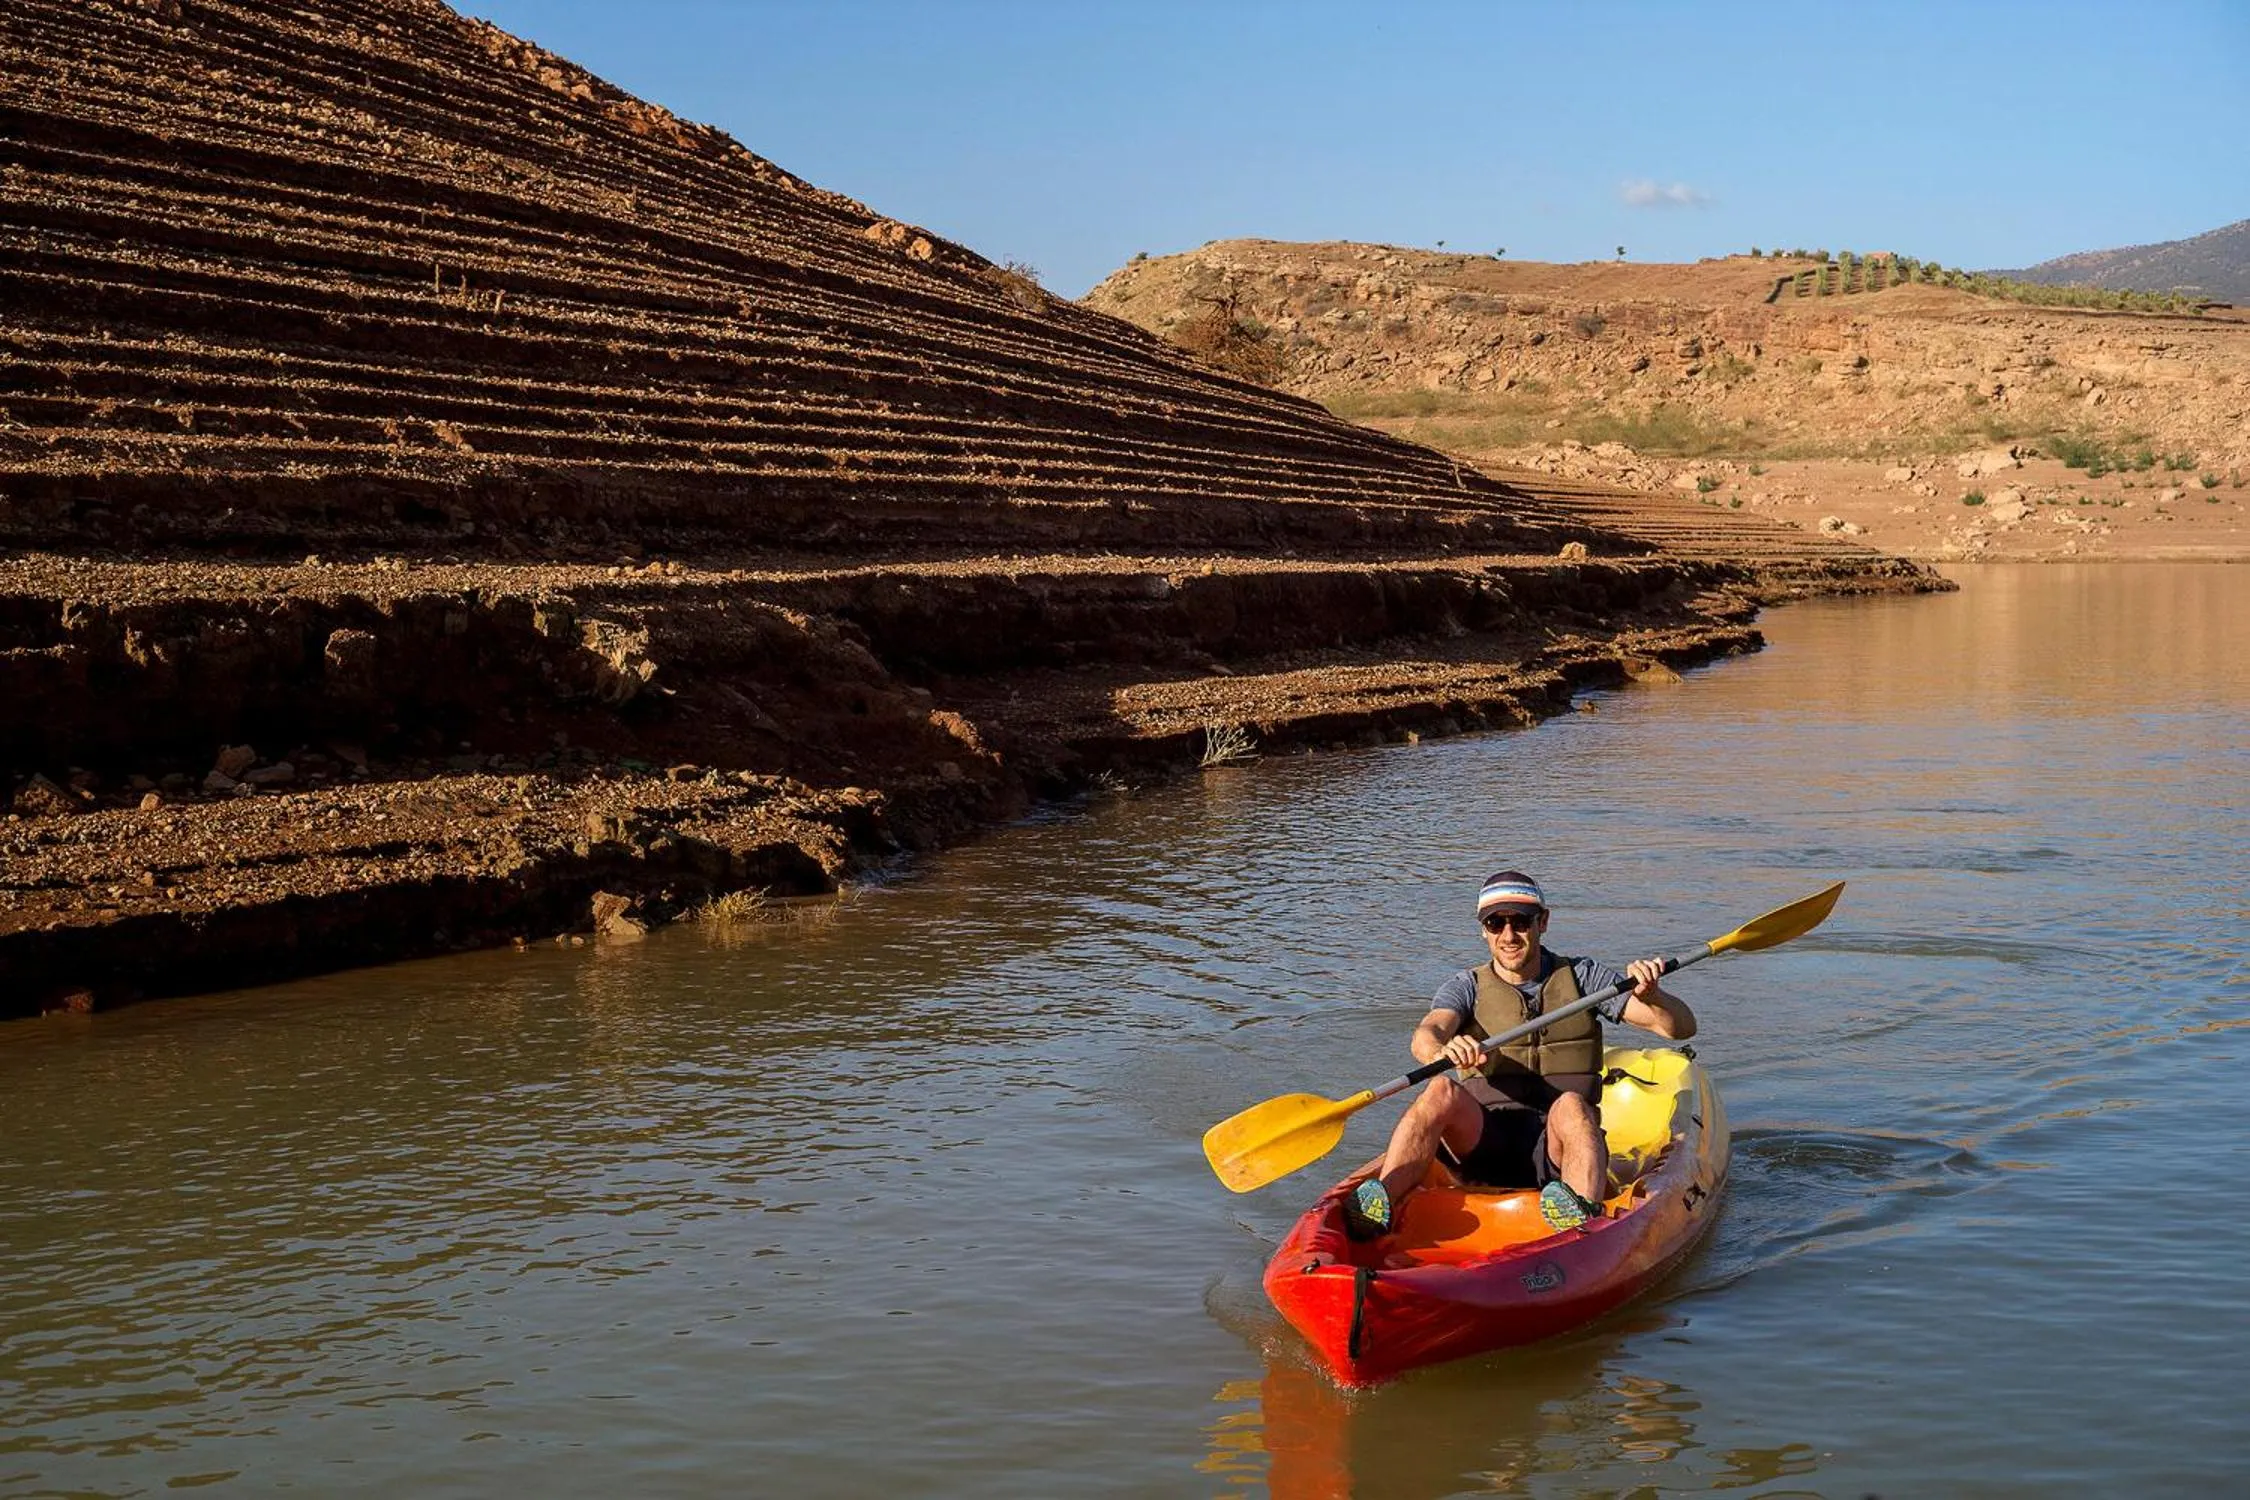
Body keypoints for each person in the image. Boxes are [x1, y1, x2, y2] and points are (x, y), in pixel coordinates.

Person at [1343, 870, 1697, 1239]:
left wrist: (1654, 996)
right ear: (1484, 930)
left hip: (1559, 1153)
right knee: (1438, 1092)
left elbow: (1679, 1029)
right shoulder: (1466, 987)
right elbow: (1425, 1036)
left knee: (1573, 1104)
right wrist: (1444, 1049)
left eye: (1520, 922)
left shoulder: (1583, 977)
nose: (1508, 935)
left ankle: (1581, 1221)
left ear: (1543, 922)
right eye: (1496, 923)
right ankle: (1379, 1205)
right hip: (1486, 1145)